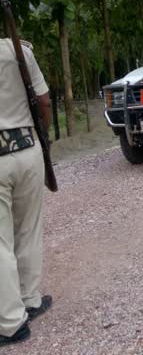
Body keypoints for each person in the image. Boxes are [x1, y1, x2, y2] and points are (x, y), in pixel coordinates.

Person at [0, 35, 54, 346]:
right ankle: (29, 300)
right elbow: (44, 101)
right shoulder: (17, 50)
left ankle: (10, 323)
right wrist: (42, 137)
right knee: (28, 229)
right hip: (27, 148)